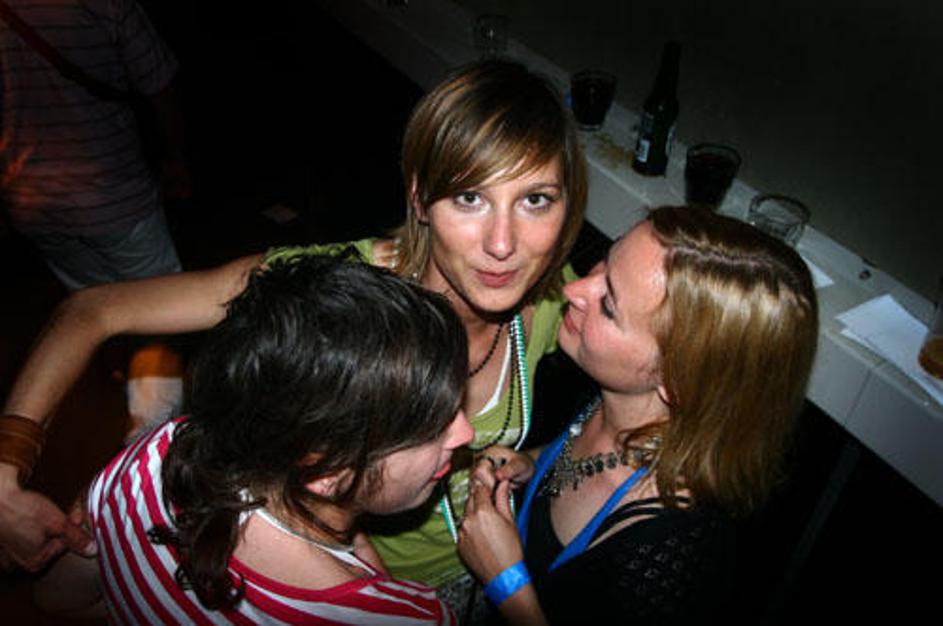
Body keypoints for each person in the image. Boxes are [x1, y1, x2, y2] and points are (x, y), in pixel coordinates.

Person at [0, 58, 587, 608]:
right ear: (420, 199)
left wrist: (531, 460)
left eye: (536, 200)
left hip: (477, 572)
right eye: (470, 197)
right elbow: (95, 310)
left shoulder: (552, 294)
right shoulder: (332, 291)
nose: (503, 244)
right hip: (329, 593)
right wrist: (5, 471)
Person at [34, 254, 472, 623]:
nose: (465, 433)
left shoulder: (155, 457)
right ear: (325, 472)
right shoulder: (402, 617)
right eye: (429, 426)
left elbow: (59, 599)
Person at [457, 206, 819, 625]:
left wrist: (507, 585)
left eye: (609, 305)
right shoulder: (610, 401)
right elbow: (581, 459)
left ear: (676, 381)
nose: (575, 290)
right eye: (605, 263)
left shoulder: (670, 554)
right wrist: (532, 463)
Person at [0, 0, 189, 291]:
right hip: (113, 194)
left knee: (95, 301)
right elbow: (160, 86)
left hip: (31, 199)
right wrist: (175, 159)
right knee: (164, 300)